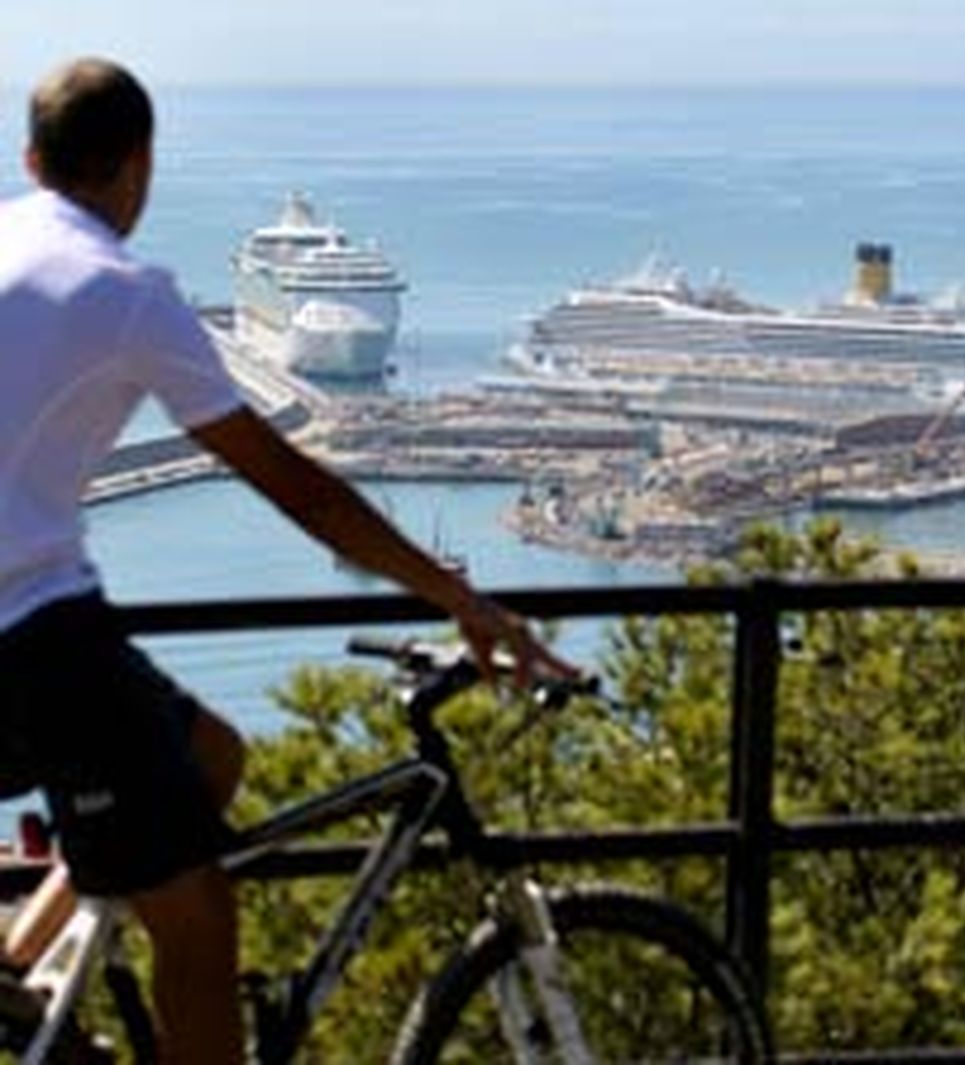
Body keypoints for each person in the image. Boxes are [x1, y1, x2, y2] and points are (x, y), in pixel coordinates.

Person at [0, 57, 572, 1064]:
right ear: (140, 165)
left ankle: (20, 965)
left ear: (30, 158)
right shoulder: (126, 290)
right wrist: (463, 600)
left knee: (213, 755)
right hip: (30, 629)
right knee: (201, 922)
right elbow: (300, 488)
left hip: (40, 631)